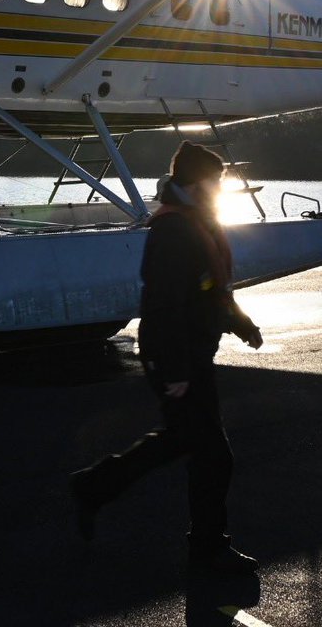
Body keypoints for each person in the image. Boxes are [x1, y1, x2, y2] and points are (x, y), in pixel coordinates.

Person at [70, 141, 263, 574]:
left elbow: (209, 289)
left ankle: (95, 486)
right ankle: (207, 548)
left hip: (190, 355)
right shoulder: (174, 232)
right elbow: (162, 305)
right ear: (197, 184)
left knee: (186, 442)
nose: (220, 188)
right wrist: (175, 370)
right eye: (216, 181)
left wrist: (242, 324)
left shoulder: (196, 222)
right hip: (176, 359)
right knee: (213, 455)